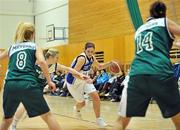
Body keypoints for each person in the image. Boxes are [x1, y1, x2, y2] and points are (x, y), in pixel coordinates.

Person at [114, 1, 180, 130]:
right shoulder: (164, 22)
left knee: (120, 121)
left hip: (137, 75)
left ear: (150, 14)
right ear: (163, 13)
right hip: (160, 73)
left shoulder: (139, 30)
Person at [0, 22, 61, 130]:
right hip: (27, 83)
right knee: (47, 116)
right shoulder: (34, 46)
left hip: (10, 84)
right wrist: (50, 81)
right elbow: (42, 62)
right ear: (33, 34)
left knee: (6, 119)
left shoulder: (12, 47)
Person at [9, 48, 89, 130]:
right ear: (50, 56)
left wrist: (80, 74)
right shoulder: (37, 61)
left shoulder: (54, 66)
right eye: (56, 57)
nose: (58, 59)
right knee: (26, 105)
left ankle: (19, 118)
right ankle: (13, 125)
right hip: (29, 84)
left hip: (39, 89)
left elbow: (68, 69)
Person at [66, 42, 114, 127]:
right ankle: (76, 109)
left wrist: (109, 63)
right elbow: (74, 73)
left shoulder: (92, 57)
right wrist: (86, 78)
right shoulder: (82, 58)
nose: (90, 53)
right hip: (73, 82)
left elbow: (99, 66)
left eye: (92, 51)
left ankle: (99, 119)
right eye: (88, 51)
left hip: (84, 80)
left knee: (96, 97)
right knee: (82, 103)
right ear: (84, 50)